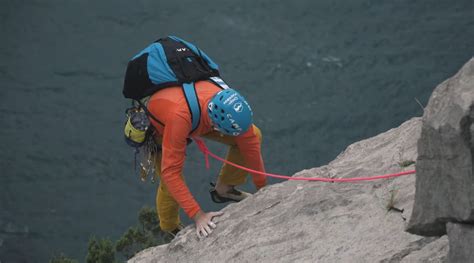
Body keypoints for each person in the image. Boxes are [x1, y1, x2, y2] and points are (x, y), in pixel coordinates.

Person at [147, 80, 267, 238]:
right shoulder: (179, 117)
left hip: (196, 117)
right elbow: (171, 173)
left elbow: (250, 142)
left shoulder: (229, 106)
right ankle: (171, 227)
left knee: (254, 134)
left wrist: (263, 189)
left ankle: (224, 190)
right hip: (161, 129)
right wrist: (198, 216)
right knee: (169, 180)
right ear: (215, 125)